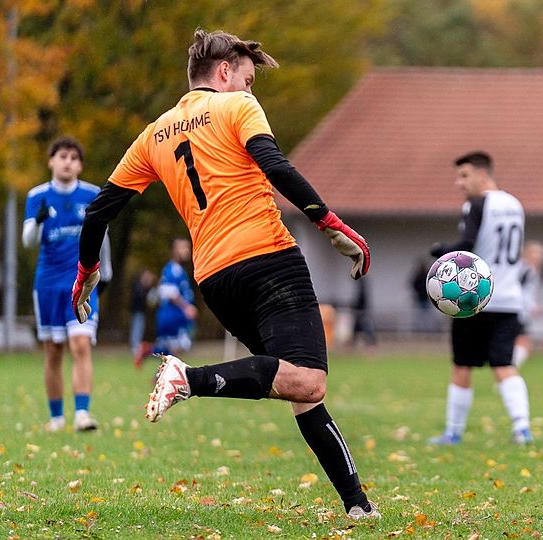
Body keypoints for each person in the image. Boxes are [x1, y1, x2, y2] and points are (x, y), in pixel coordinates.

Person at [72, 29, 378, 519]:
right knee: (308, 379)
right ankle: (188, 378)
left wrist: (87, 270)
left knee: (295, 384)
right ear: (223, 72)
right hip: (268, 258)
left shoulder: (154, 133)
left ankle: (357, 505)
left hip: (215, 278)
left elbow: (98, 212)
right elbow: (275, 166)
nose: (251, 89)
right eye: (249, 79)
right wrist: (329, 223)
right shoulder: (237, 106)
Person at [428, 151, 533, 445]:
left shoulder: (476, 204)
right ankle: (522, 428)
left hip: (473, 298)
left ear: (482, 174)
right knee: (504, 364)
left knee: (462, 365)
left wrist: (440, 250)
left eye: (464, 176)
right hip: (510, 298)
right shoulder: (515, 204)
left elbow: (466, 247)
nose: (459, 183)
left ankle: (453, 432)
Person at [23, 136, 112, 432]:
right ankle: (56, 417)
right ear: (51, 161)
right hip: (48, 284)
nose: (68, 162)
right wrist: (37, 222)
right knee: (53, 350)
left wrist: (106, 273)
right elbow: (27, 241)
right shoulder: (37, 196)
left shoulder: (92, 194)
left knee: (81, 344)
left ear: (80, 165)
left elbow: (103, 237)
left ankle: (82, 414)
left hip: (82, 283)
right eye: (62, 156)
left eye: (74, 158)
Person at [148, 238, 198, 362]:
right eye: (183, 248)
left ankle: (148, 351)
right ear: (175, 250)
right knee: (176, 350)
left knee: (170, 351)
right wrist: (186, 307)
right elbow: (170, 292)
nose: (187, 251)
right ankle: (149, 352)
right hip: (173, 315)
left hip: (173, 314)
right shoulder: (174, 270)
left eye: (188, 248)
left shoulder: (175, 269)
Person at [513, 241, 543, 368]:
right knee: (524, 345)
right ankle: (509, 370)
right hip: (518, 312)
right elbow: (520, 291)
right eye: (535, 257)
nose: (538, 261)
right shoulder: (526, 270)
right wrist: (532, 306)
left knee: (523, 344)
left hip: (522, 313)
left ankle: (509, 370)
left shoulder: (527, 270)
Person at [129, 268, 157, 357]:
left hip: (140, 311)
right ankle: (135, 346)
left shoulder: (142, 287)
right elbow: (140, 298)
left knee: (139, 328)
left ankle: (136, 346)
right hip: (137, 311)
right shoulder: (138, 286)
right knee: (136, 329)